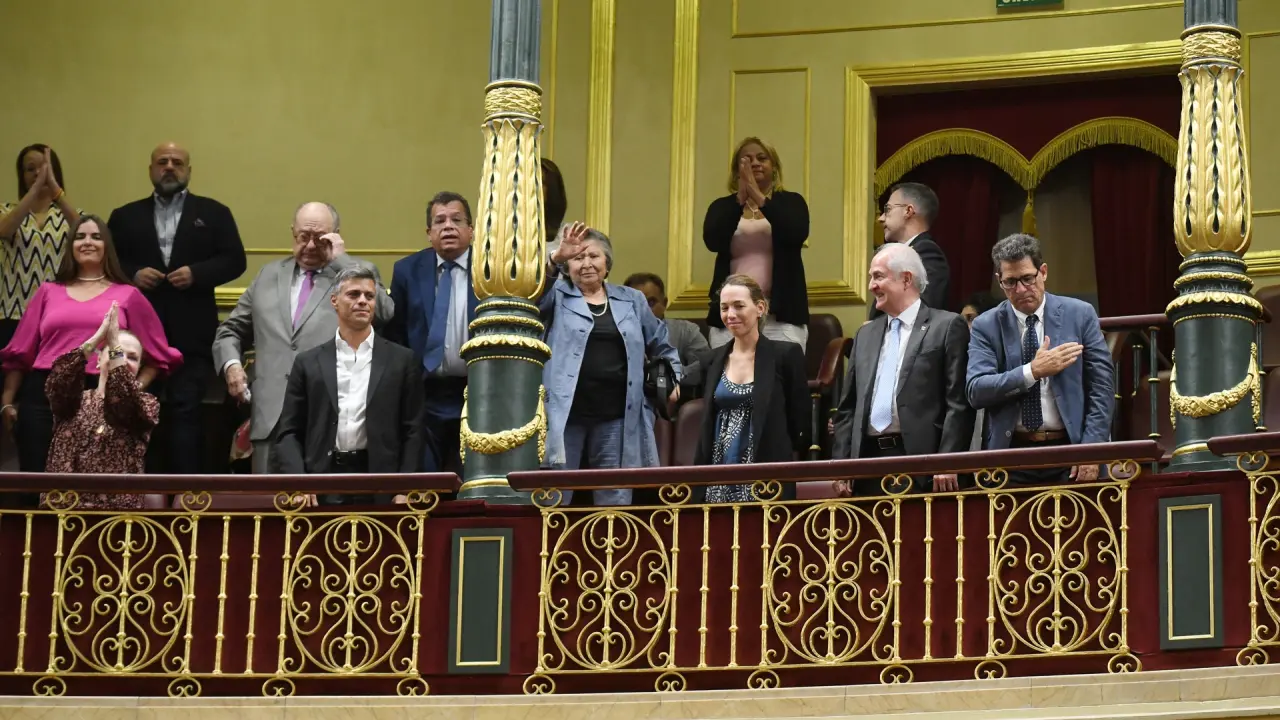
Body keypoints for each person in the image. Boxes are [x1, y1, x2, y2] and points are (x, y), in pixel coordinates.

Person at [213, 202, 393, 474]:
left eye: (319, 239)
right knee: (268, 499)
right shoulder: (268, 275)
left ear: (335, 236)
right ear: (293, 233)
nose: (309, 246)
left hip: (330, 418)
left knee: (324, 499)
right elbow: (230, 330)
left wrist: (342, 261)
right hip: (270, 418)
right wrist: (232, 366)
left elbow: (385, 313)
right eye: (303, 237)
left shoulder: (354, 274)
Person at [1, 215, 181, 480]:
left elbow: (159, 356)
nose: (88, 242)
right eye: (80, 236)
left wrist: (130, 389)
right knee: (36, 479)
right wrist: (6, 401)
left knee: (95, 480)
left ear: (107, 246)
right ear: (70, 246)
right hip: (44, 393)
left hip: (102, 391)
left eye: (96, 237)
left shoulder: (128, 294)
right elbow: (20, 352)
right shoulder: (48, 291)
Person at [108, 142, 247, 474]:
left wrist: (198, 274)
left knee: (188, 413)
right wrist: (133, 274)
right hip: (137, 335)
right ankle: (136, 489)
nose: (169, 167)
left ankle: (186, 493)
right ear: (151, 170)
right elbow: (109, 261)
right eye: (162, 162)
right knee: (135, 410)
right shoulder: (124, 216)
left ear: (188, 170)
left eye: (177, 162)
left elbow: (235, 260)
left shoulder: (214, 213)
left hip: (193, 334)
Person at [540, 222, 681, 506]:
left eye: (594, 256)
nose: (586, 264)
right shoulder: (556, 294)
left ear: (607, 263)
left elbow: (662, 345)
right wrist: (555, 258)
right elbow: (531, 298)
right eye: (578, 258)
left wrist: (672, 379)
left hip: (617, 416)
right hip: (564, 417)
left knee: (614, 498)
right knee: (554, 497)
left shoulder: (632, 300)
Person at [966, 233, 1114, 484]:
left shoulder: (1079, 314)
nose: (1021, 289)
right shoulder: (986, 325)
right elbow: (977, 390)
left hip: (1071, 451)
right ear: (999, 281)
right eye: (1010, 282)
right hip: (1010, 457)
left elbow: (1102, 389)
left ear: (1043, 272)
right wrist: (1032, 372)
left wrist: (1091, 450)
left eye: (1027, 278)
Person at [274, 267, 424, 503]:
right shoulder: (307, 362)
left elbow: (413, 430)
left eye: (369, 296)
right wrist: (299, 483)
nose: (363, 301)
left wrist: (405, 488)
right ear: (334, 300)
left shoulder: (402, 360)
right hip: (321, 483)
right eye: (354, 294)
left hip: (382, 484)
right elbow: (289, 431)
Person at [831, 243, 972, 495]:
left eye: (878, 276)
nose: (871, 286)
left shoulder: (947, 326)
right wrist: (842, 464)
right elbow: (848, 407)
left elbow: (958, 403)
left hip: (923, 466)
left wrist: (948, 461)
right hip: (866, 466)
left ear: (906, 279)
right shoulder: (865, 334)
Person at [385, 191, 477, 473]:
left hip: (477, 391)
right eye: (440, 221)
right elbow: (396, 333)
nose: (448, 226)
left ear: (471, 230)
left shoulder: (490, 270)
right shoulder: (407, 271)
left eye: (456, 220)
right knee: (424, 479)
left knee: (472, 479)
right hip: (425, 393)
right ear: (429, 233)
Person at [694, 274, 809, 502]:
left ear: (760, 308)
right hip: (718, 471)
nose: (730, 314)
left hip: (767, 473)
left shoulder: (785, 355)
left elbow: (800, 419)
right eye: (724, 308)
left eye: (739, 306)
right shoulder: (712, 359)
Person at [43, 302, 160, 510]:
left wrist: (113, 344)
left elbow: (122, 400)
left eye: (133, 357)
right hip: (63, 511)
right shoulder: (73, 401)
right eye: (117, 352)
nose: (123, 359)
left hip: (115, 515)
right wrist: (98, 337)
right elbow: (59, 380)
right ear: (97, 360)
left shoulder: (146, 403)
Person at [702, 137, 810, 349]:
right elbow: (713, 241)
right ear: (736, 170)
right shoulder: (722, 207)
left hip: (781, 313)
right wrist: (740, 201)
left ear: (774, 167)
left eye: (762, 158)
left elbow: (796, 233)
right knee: (731, 369)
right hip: (732, 311)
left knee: (782, 369)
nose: (755, 163)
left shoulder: (791, 202)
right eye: (747, 159)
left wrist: (760, 199)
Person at [1, 145, 80, 348]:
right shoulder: (6, 211)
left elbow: (85, 232)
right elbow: (4, 231)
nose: (38, 173)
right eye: (30, 169)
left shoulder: (70, 213)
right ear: (22, 176)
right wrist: (35, 189)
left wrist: (55, 189)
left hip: (59, 314)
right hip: (12, 312)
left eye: (45, 167)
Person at [871, 182, 949, 319]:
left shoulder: (927, 253)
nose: (881, 218)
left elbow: (921, 310)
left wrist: (877, 327)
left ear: (908, 211)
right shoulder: (904, 253)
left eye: (888, 209)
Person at [624, 272, 710, 394]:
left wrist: (666, 376)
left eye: (651, 303)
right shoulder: (615, 333)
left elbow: (705, 366)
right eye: (636, 304)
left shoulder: (686, 331)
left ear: (664, 303)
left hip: (676, 398)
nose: (644, 311)